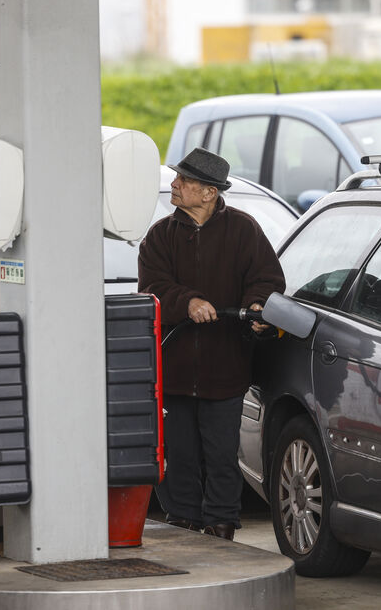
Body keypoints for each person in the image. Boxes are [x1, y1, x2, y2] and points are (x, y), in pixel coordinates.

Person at [138, 147, 285, 541]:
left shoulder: (244, 230)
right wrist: (187, 302)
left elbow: (267, 279)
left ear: (209, 193)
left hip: (226, 367)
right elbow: (152, 289)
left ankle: (221, 522)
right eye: (178, 178)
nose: (174, 184)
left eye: (183, 180)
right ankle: (182, 518)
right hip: (174, 369)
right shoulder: (159, 237)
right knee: (178, 454)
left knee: (221, 454)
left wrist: (257, 305)